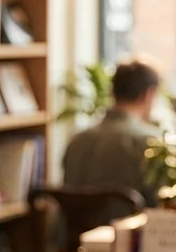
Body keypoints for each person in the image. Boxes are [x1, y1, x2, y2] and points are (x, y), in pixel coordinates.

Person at [62, 58, 162, 215]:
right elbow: (160, 203)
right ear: (148, 95)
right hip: (128, 236)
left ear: (112, 91)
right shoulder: (150, 142)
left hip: (77, 237)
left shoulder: (77, 140)